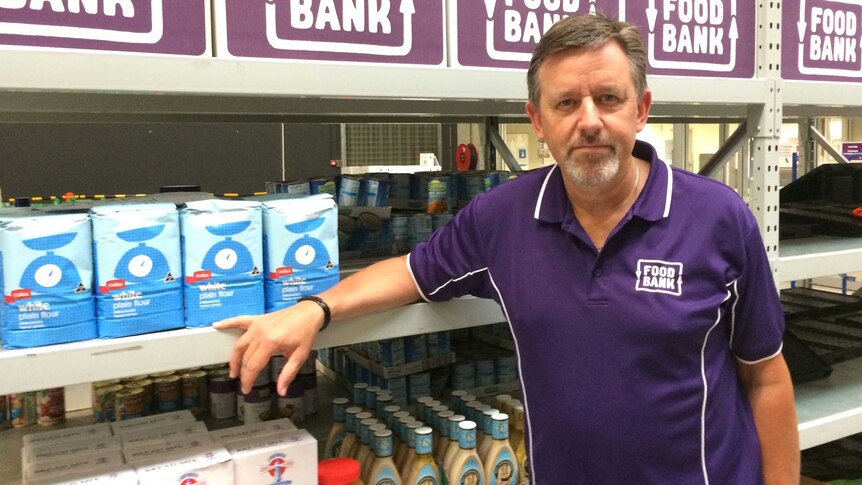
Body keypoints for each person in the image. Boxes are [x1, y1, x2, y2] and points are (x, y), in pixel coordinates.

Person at [216, 13, 799, 484]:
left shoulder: (719, 218)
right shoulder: (505, 217)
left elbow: (766, 379)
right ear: (537, 120)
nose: (589, 121)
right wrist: (313, 309)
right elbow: (412, 272)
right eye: (566, 103)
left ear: (641, 109)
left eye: (609, 99)